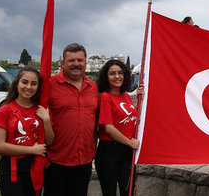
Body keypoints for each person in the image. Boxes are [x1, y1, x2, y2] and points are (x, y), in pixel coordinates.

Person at [44, 43, 99, 196]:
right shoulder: (49, 85)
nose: (76, 64)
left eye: (80, 60)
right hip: (56, 160)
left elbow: (94, 120)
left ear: (86, 63)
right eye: (71, 60)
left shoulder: (92, 86)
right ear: (63, 63)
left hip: (85, 160)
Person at [0, 66, 54, 195]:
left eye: (34, 83)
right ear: (17, 84)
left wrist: (47, 120)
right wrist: (31, 150)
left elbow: (49, 142)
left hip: (34, 167)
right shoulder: (5, 111)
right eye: (24, 82)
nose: (29, 87)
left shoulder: (42, 109)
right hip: (12, 170)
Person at [95, 60, 143, 196]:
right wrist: (129, 142)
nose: (117, 76)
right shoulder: (105, 97)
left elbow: (133, 120)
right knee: (109, 192)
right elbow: (109, 128)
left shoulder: (127, 97)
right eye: (112, 73)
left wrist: (141, 100)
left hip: (127, 152)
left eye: (120, 73)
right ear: (106, 77)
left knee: (128, 191)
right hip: (109, 152)